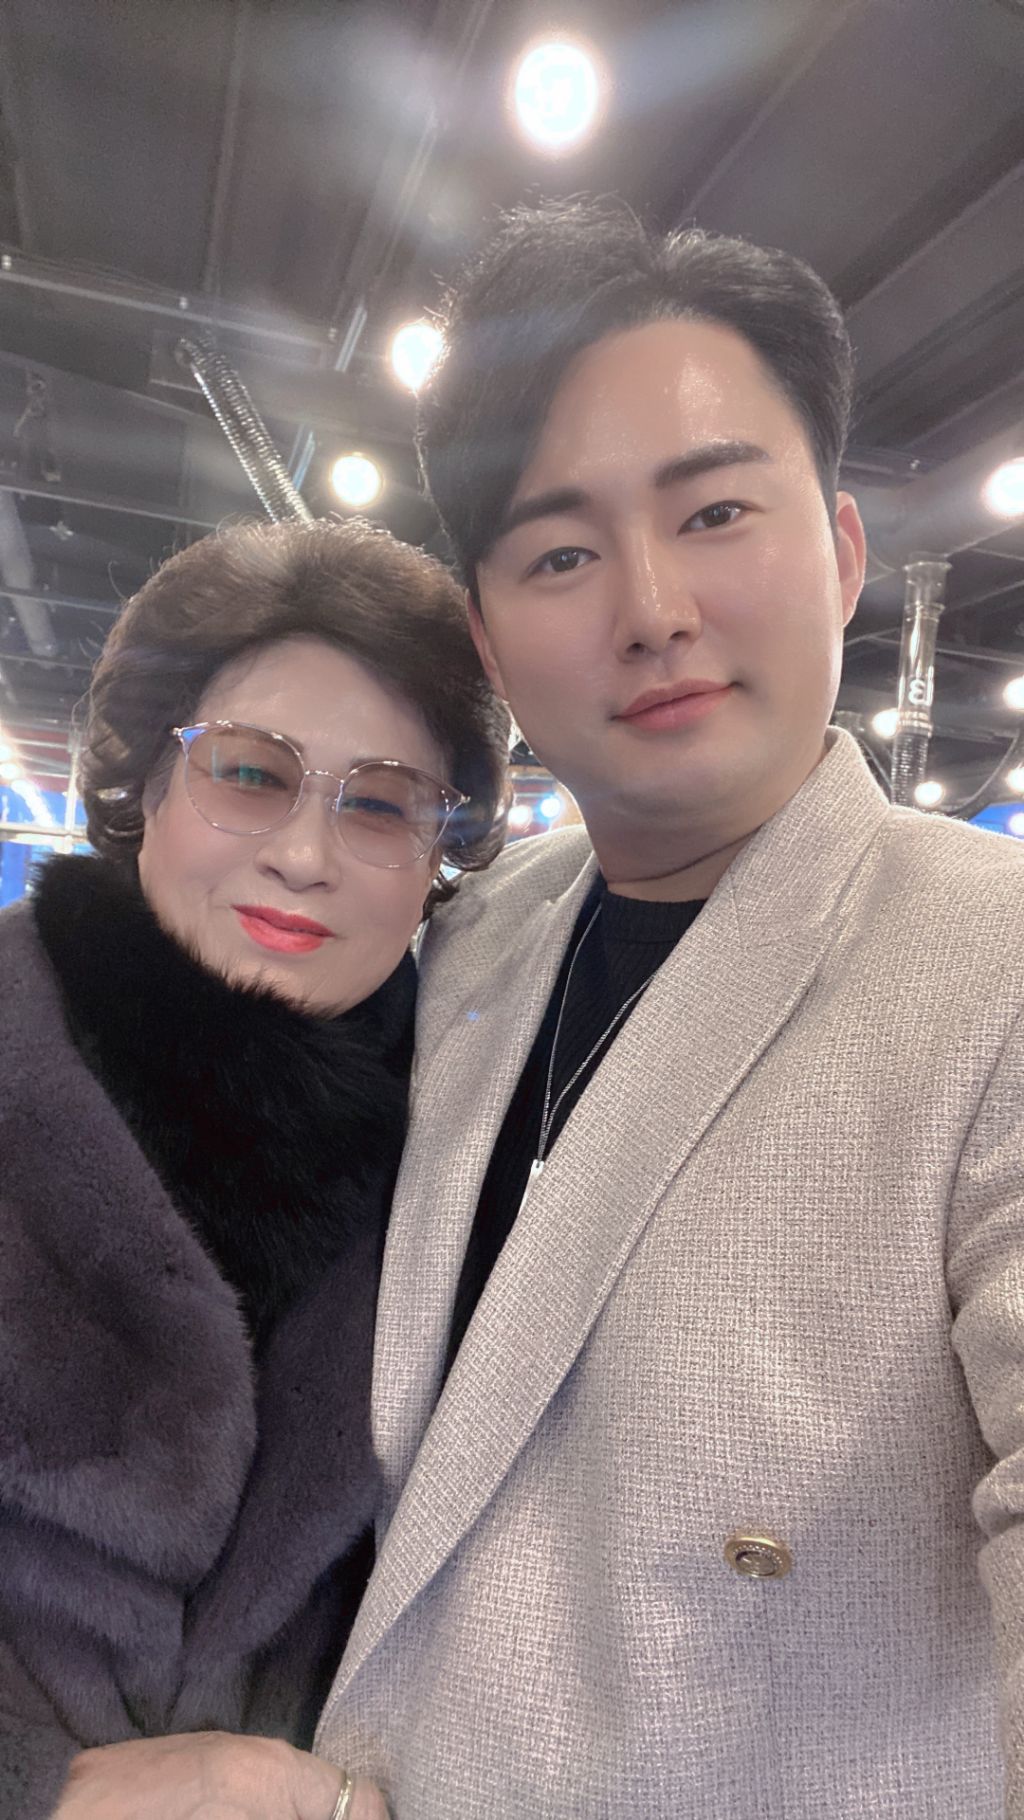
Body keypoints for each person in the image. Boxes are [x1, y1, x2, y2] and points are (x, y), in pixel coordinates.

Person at [313, 198, 1024, 1817]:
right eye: (562, 554)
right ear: (488, 640)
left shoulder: (992, 963)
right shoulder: (464, 945)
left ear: (843, 552)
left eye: (714, 513)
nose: (651, 607)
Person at [0, 517, 507, 1820]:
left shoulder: (475, 1153)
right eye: (248, 774)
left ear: (438, 858)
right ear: (145, 783)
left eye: (382, 803)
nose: (306, 854)